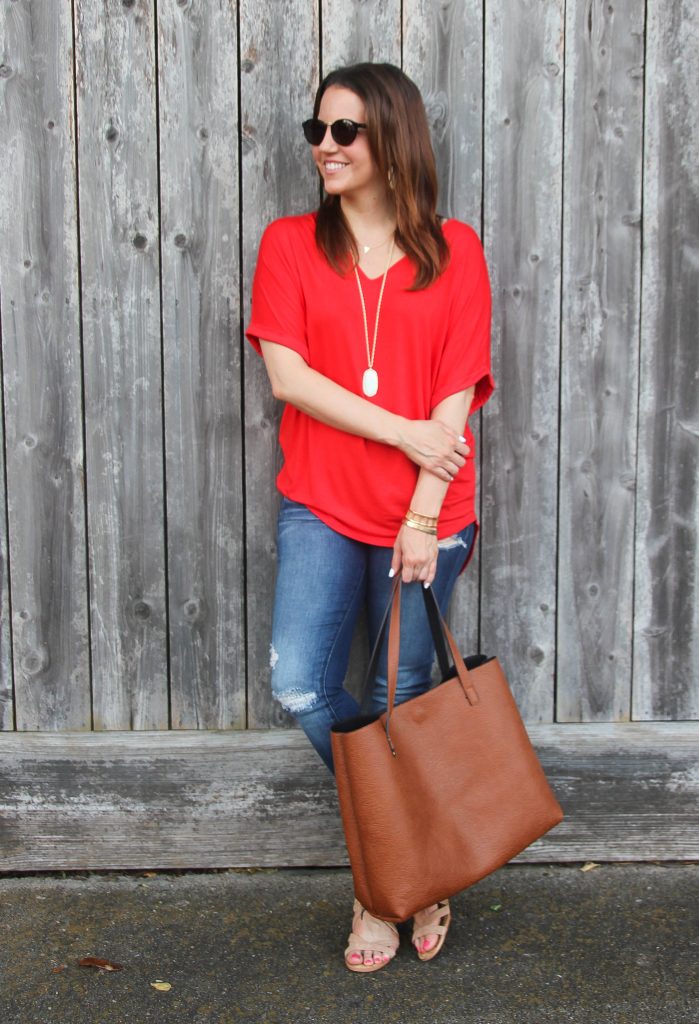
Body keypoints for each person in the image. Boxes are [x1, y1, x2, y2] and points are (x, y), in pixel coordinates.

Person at [246, 62, 493, 972]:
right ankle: (409, 855)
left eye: (344, 132)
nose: (324, 147)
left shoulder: (455, 251)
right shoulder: (288, 245)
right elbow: (290, 378)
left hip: (429, 515)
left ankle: (379, 886)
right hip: (321, 503)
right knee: (302, 685)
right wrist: (403, 434)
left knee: (401, 699)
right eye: (315, 130)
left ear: (391, 141)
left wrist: (424, 516)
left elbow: (457, 398)